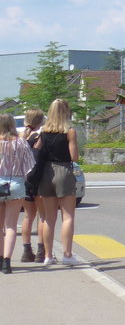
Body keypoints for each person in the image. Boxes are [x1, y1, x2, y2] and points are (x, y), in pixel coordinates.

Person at [32, 98, 81, 266]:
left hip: (46, 172)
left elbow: (36, 152)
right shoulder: (70, 132)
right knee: (67, 216)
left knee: (47, 217)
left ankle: (48, 256)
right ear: (66, 112)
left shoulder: (43, 132)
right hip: (64, 171)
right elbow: (74, 157)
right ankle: (67, 255)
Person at [1, 113, 37, 274]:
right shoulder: (21, 142)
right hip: (15, 183)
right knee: (11, 226)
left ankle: (0, 258)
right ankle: (7, 262)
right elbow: (30, 166)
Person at [20, 107, 45, 263]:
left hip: (24, 180)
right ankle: (41, 251)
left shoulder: (21, 138)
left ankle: (26, 250)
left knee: (28, 216)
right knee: (42, 217)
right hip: (39, 179)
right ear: (40, 121)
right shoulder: (40, 137)